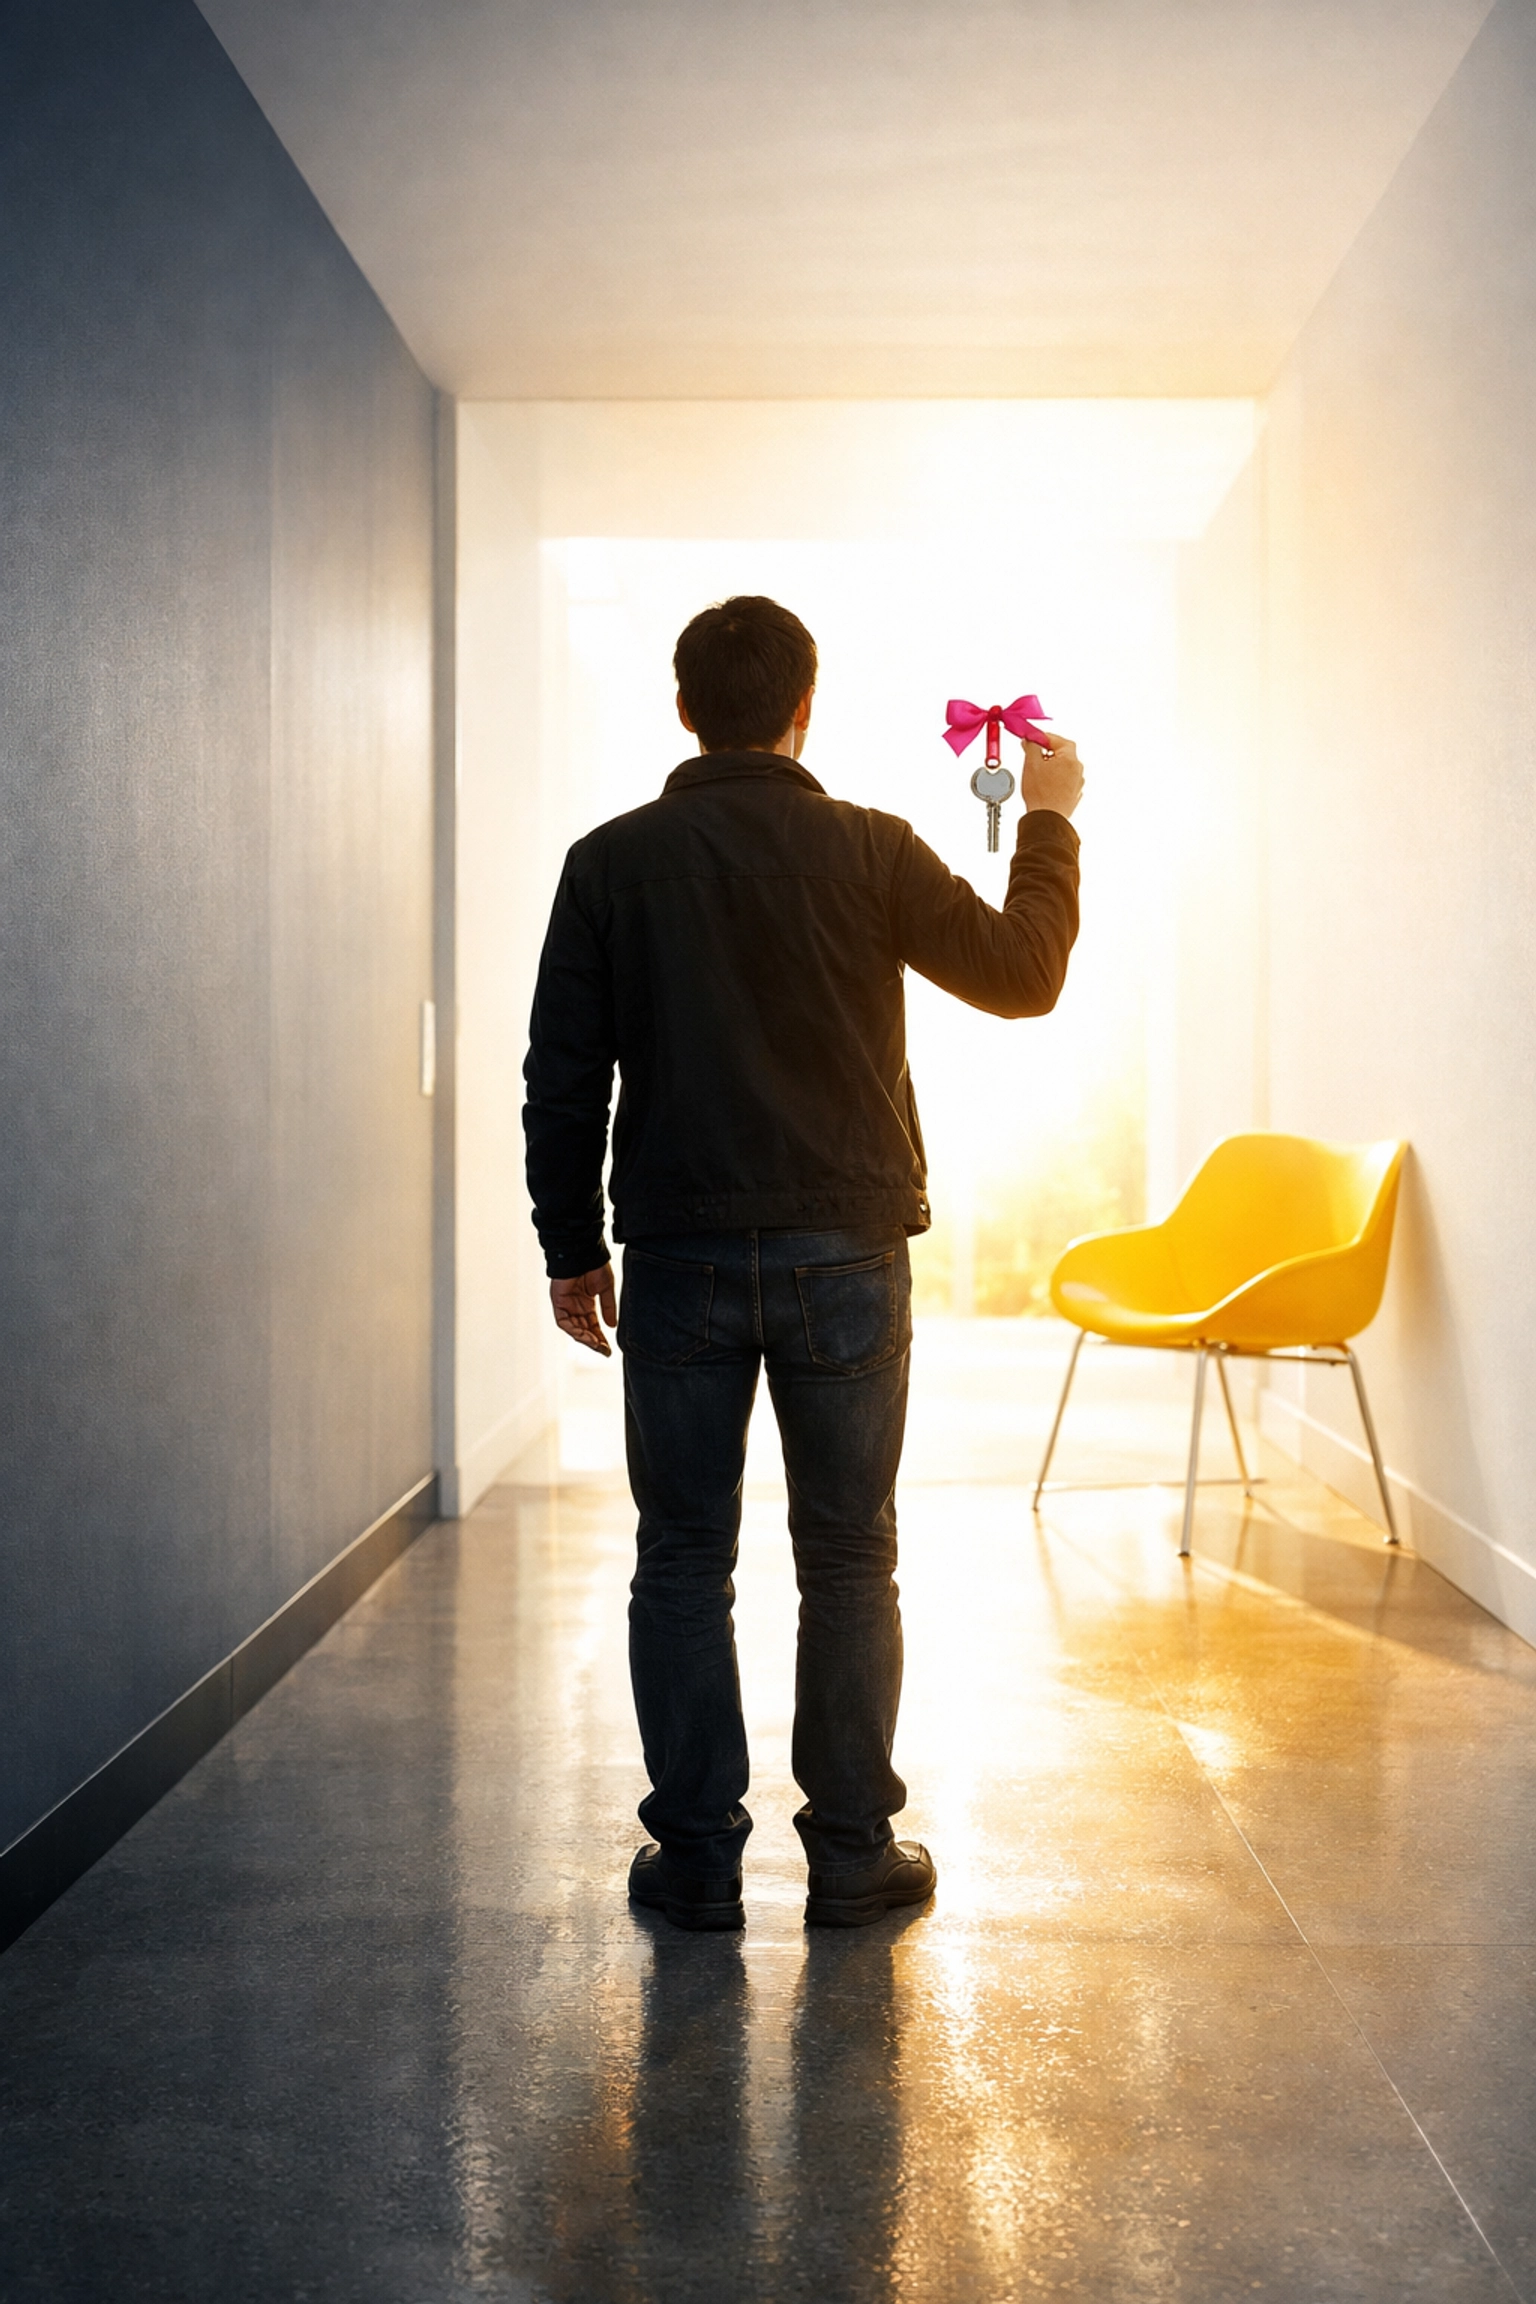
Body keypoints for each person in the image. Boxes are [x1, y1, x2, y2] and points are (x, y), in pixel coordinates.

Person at [523, 596, 1083, 1933]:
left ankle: (701, 1863)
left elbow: (564, 1079)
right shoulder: (871, 850)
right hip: (844, 1253)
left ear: (684, 710)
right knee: (846, 1560)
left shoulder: (611, 863)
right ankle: (848, 1857)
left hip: (677, 1259)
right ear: (803, 709)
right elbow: (1023, 976)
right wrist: (1048, 817)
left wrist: (568, 1249)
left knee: (681, 1558)